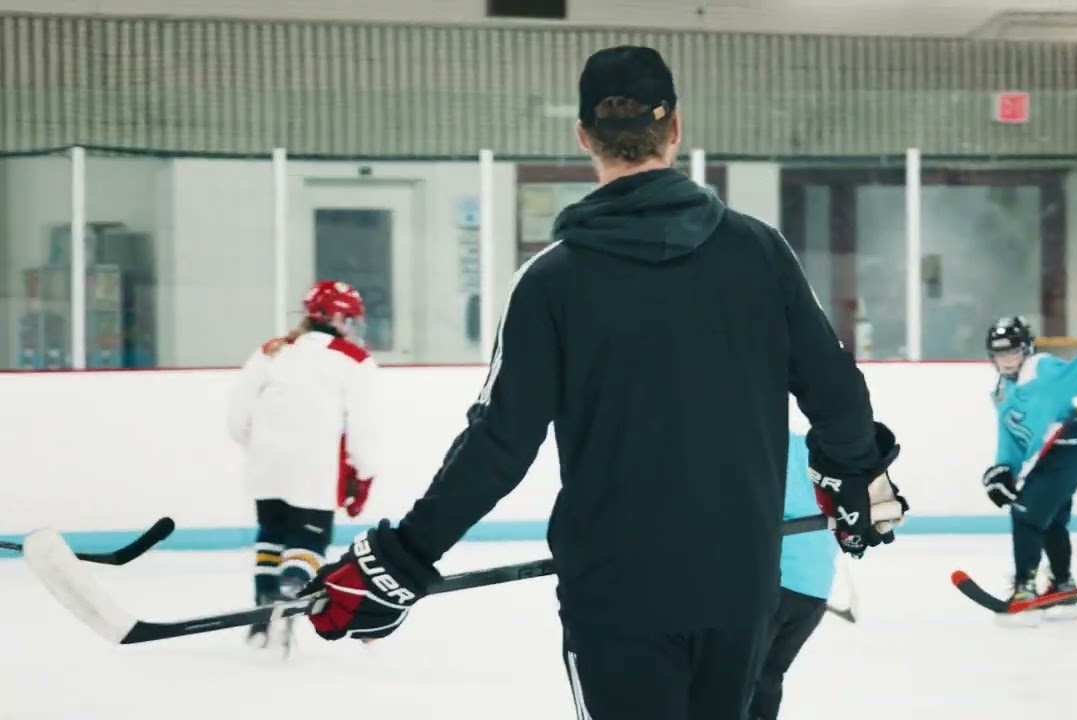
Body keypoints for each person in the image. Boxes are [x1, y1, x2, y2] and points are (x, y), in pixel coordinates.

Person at [298, 44, 907, 720]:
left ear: (584, 137)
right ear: (674, 127)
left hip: (619, 593)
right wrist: (855, 477)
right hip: (739, 585)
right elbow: (836, 392)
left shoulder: (553, 280)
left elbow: (498, 445)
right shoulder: (759, 254)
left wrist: (402, 558)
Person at [226, 279, 381, 655]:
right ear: (338, 318)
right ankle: (290, 597)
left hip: (266, 461)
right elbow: (363, 426)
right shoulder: (355, 360)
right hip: (315, 465)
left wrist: (260, 447)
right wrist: (364, 471)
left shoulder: (271, 352)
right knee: (308, 540)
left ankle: (263, 606)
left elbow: (237, 416)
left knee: (272, 532)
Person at [980, 317, 1077, 625]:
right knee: (1050, 520)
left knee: (1025, 514)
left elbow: (1072, 375)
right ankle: (1063, 588)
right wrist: (1004, 469)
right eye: (1000, 355)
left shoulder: (1039, 368)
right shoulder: (1002, 392)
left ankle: (1025, 591)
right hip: (1045, 456)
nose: (1007, 360)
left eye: (1012, 352)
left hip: (1068, 446)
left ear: (1026, 350)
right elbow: (1011, 435)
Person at [748, 425, 899, 719]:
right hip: (813, 593)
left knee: (735, 680)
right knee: (767, 677)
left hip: (771, 585)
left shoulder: (771, 445)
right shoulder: (838, 467)